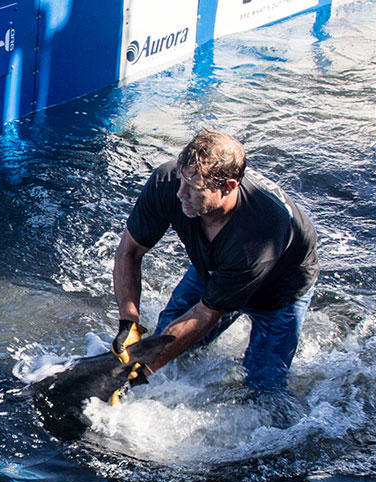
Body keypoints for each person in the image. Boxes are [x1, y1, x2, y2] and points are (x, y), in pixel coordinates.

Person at [110, 129, 319, 395]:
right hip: (219, 265)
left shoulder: (257, 235)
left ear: (228, 187)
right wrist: (129, 323)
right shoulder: (170, 181)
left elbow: (207, 313)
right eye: (182, 181)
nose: (180, 194)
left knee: (263, 386)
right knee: (163, 339)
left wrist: (138, 374)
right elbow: (129, 251)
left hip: (280, 286)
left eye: (194, 189)